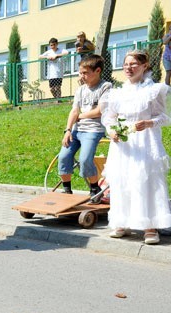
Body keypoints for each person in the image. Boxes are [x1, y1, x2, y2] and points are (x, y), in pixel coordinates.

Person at [100, 50, 171, 245]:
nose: (128, 68)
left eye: (133, 64)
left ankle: (150, 226)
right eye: (126, 65)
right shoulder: (116, 93)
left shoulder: (154, 90)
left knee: (146, 180)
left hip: (145, 141)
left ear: (144, 66)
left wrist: (148, 123)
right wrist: (111, 131)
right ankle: (122, 222)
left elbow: (164, 117)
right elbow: (109, 117)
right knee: (123, 180)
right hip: (123, 143)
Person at [57, 54, 111, 199]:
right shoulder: (80, 89)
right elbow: (74, 110)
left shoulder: (105, 87)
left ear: (97, 71)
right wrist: (68, 130)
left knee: (85, 159)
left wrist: (80, 116)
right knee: (63, 156)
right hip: (76, 130)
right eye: (81, 73)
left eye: (85, 73)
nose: (82, 76)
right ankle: (67, 190)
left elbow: (99, 111)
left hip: (94, 130)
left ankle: (94, 189)